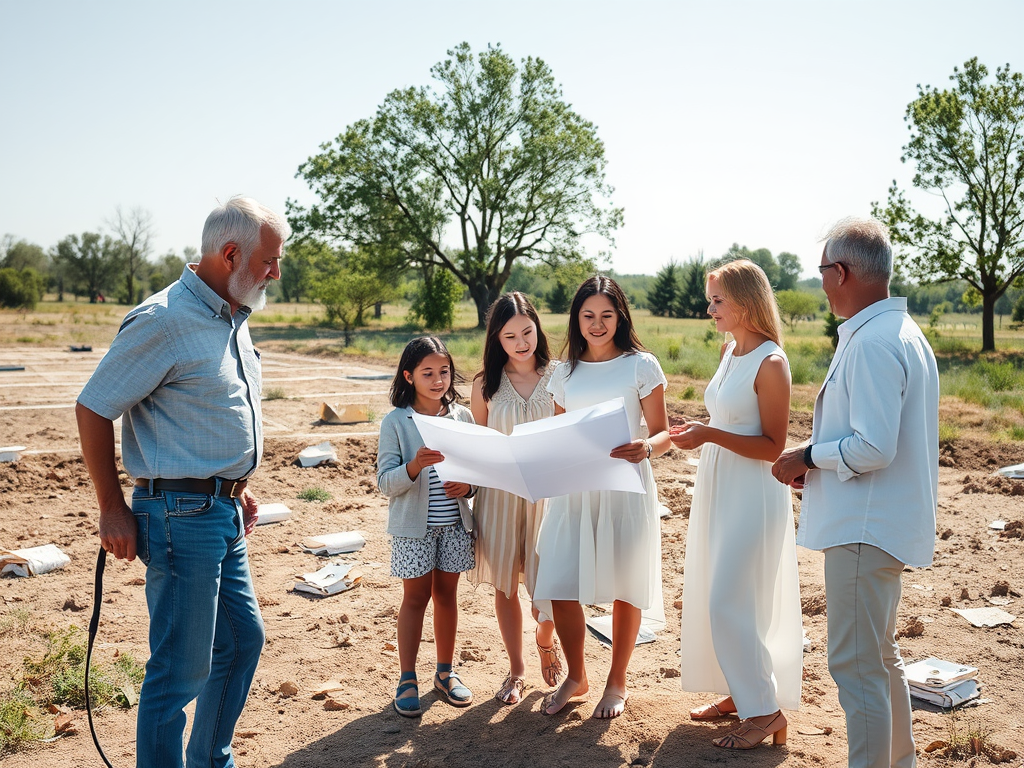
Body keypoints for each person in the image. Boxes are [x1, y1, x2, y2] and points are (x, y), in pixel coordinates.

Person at [75, 196, 289, 768]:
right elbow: (94, 408)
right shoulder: (164, 319)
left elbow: (206, 419)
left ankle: (209, 762)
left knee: (242, 642)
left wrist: (233, 484)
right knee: (180, 671)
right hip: (177, 518)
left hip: (221, 513)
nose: (276, 272)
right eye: (269, 260)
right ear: (229, 254)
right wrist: (112, 508)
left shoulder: (231, 317)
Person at [772, 218, 939, 768]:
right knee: (879, 659)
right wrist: (816, 458)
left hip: (865, 530)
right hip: (882, 524)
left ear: (840, 272)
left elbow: (872, 447)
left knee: (856, 666)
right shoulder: (902, 334)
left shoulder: (872, 342)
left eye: (822, 271)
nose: (821, 284)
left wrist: (809, 456)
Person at [670, 259, 802, 750]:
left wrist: (710, 435)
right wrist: (697, 431)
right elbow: (725, 419)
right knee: (715, 590)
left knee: (730, 598)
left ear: (746, 302)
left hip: (753, 492)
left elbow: (772, 445)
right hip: (719, 484)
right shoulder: (730, 351)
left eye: (717, 300)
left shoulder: (772, 362)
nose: (709, 309)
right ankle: (737, 693)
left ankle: (767, 712)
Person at [533, 276, 671, 719]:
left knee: (625, 582)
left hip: (625, 486)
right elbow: (557, 434)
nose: (597, 324)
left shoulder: (641, 366)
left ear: (620, 317)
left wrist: (647, 446)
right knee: (561, 583)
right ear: (576, 319)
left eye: (606, 315)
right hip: (574, 490)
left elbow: (664, 432)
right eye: (588, 315)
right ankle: (577, 676)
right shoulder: (563, 372)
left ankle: (617, 681)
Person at [468, 292, 562, 705]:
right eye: (510, 336)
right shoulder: (484, 384)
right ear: (497, 339)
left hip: (548, 497)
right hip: (500, 496)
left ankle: (545, 637)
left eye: (527, 331)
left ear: (537, 329)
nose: (522, 342)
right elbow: (478, 445)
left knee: (552, 590)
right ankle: (517, 670)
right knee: (505, 586)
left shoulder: (561, 376)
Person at [376, 336, 477, 718]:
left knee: (447, 597)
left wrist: (468, 486)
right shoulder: (396, 421)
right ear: (409, 375)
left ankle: (445, 673)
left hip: (454, 526)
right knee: (415, 599)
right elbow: (386, 482)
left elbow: (476, 474)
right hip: (412, 531)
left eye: (444, 372)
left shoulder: (462, 417)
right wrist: (415, 465)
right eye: (428, 373)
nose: (438, 380)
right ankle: (407, 678)